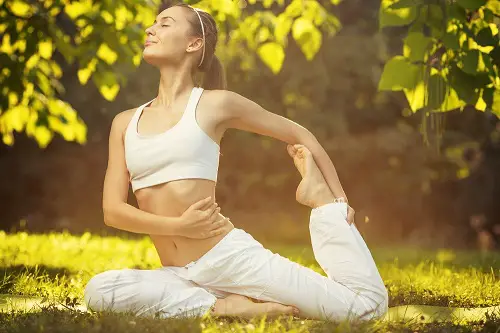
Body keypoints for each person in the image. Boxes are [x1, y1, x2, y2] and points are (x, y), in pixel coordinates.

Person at [84, 3, 388, 321]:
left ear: (194, 43)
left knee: (366, 309)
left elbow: (300, 134)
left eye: (165, 24)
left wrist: (336, 202)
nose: (151, 29)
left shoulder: (215, 104)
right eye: (153, 24)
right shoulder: (125, 122)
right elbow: (113, 212)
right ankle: (221, 307)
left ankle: (319, 202)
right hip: (179, 274)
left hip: (229, 260)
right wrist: (178, 226)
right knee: (99, 290)